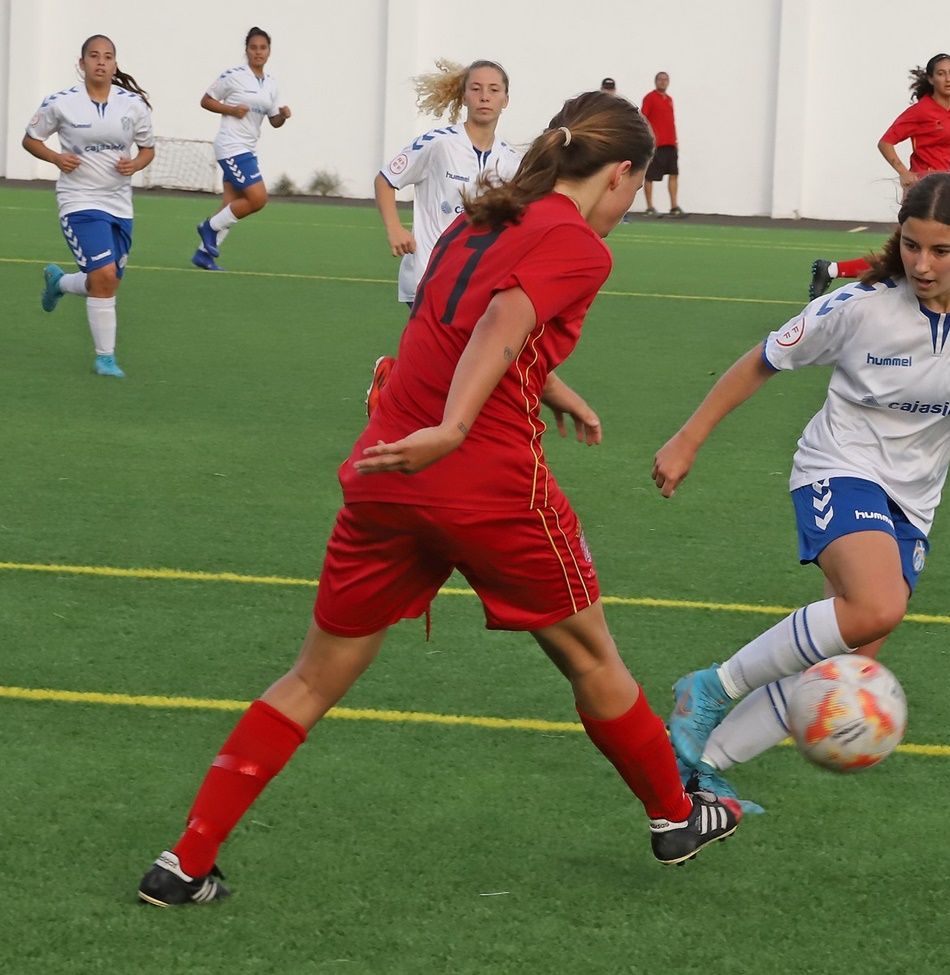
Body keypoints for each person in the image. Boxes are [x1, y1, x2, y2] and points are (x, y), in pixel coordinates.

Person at [136, 91, 742, 908]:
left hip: (387, 466)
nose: (631, 203)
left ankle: (184, 860)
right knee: (591, 655)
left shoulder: (482, 215)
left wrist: (549, 385)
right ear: (623, 172)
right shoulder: (579, 244)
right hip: (484, 480)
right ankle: (675, 816)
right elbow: (500, 320)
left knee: (311, 677)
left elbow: (452, 319)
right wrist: (458, 425)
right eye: (636, 187)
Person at [652, 172, 950, 810]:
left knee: (845, 655)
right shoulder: (859, 305)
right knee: (878, 607)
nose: (921, 264)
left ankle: (699, 769)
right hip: (838, 464)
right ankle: (710, 687)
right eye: (911, 246)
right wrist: (688, 439)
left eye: (939, 250)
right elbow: (762, 360)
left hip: (914, 500)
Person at [368, 58, 522, 417]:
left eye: (494, 90)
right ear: (464, 96)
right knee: (450, 359)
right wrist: (394, 228)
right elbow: (385, 180)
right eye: (476, 88)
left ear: (505, 100)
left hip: (478, 280)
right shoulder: (439, 144)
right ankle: (399, 398)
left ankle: (392, 383)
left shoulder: (512, 162)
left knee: (453, 360)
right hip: (428, 273)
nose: (485, 96)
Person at [23, 34, 155, 378]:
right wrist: (55, 157)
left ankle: (59, 284)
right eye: (93, 56)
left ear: (114, 64)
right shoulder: (61, 103)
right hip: (79, 201)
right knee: (104, 275)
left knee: (105, 282)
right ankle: (105, 358)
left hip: (119, 205)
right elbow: (31, 139)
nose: (101, 62)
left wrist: (136, 165)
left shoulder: (133, 105)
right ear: (81, 64)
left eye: (108, 56)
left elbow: (147, 149)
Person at [809, 53, 950, 300]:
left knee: (923, 251)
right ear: (931, 79)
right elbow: (886, 142)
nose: (948, 78)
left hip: (945, 190)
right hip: (923, 191)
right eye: (941, 73)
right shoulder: (921, 111)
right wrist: (904, 172)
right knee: (908, 253)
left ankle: (833, 269)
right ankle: (846, 287)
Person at [192, 27, 291, 271]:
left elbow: (274, 120)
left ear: (269, 52)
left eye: (263, 48)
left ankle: (204, 255)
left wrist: (284, 116)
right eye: (253, 47)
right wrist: (231, 110)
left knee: (231, 202)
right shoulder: (234, 76)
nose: (258, 52)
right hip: (231, 146)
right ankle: (209, 227)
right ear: (246, 50)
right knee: (257, 198)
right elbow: (206, 100)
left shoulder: (271, 84)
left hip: (248, 147)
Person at [640, 71, 684, 217]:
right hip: (656, 145)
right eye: (660, 79)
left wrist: (675, 140)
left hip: (670, 144)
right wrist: (649, 139)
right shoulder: (650, 98)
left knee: (674, 174)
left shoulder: (669, 99)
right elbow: (643, 118)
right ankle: (650, 207)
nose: (663, 82)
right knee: (650, 176)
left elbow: (671, 122)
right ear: (655, 81)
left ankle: (674, 206)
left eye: (666, 79)